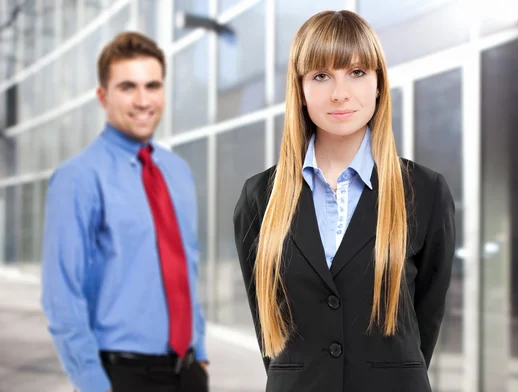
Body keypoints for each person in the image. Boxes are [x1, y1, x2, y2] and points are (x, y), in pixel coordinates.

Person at [233, 10, 455, 392]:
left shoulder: (425, 191)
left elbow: (424, 322)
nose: (340, 93)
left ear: (378, 84)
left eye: (356, 72)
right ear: (300, 91)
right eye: (321, 76)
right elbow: (268, 329)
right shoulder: (260, 198)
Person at [41, 32, 209, 392]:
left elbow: (185, 265)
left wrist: (202, 350)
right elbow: (62, 295)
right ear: (102, 96)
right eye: (128, 87)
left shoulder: (177, 171)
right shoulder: (78, 178)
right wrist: (92, 383)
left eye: (153, 85)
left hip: (188, 371)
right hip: (121, 375)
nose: (143, 100)